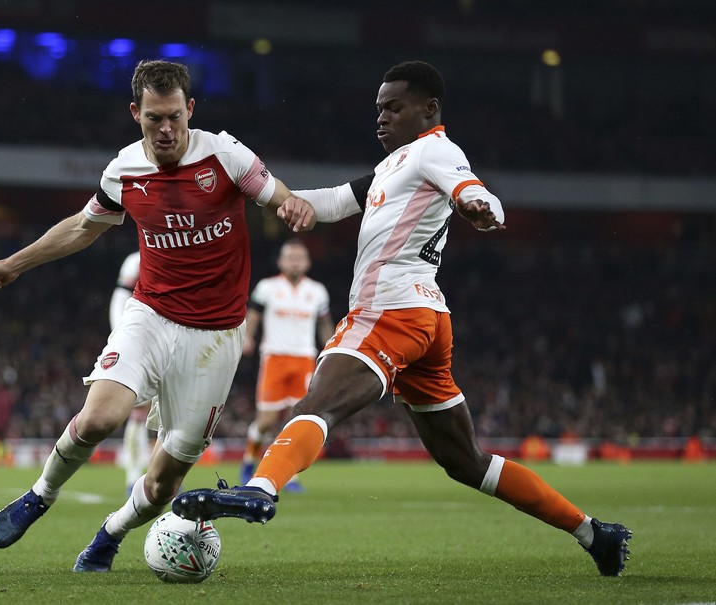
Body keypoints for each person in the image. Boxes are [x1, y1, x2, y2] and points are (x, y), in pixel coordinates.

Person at [173, 60, 633, 577]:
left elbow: (472, 188)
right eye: (377, 110)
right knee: (467, 462)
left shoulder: (435, 149)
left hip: (389, 307)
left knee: (318, 402)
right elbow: (330, 203)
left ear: (429, 108)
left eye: (393, 107)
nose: (381, 119)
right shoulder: (393, 166)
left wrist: (483, 208)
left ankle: (259, 490)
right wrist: (277, 196)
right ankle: (596, 534)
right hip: (427, 319)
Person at [0, 59, 313, 573]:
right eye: (154, 118)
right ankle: (39, 495)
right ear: (136, 113)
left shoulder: (225, 155)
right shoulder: (125, 170)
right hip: (151, 313)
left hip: (216, 338)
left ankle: (108, 535)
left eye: (174, 116)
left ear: (190, 109)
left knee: (162, 485)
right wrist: (14, 264)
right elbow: (82, 228)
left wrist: (291, 207)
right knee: (99, 419)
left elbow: (278, 195)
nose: (166, 129)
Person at [239, 238, 334, 492]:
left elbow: (324, 324)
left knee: (297, 418)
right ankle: (249, 460)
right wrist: (247, 337)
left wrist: (333, 348)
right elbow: (254, 315)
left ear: (307, 262)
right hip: (275, 358)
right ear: (280, 261)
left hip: (304, 359)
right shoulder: (267, 288)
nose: (294, 261)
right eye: (290, 257)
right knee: (266, 420)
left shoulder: (317, 291)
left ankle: (288, 475)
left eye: (299, 257)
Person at [109, 251, 155, 496]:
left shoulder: (186, 249)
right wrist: (122, 335)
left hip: (177, 337)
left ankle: (162, 473)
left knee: (172, 408)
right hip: (140, 338)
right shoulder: (136, 260)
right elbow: (120, 297)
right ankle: (133, 477)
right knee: (139, 410)